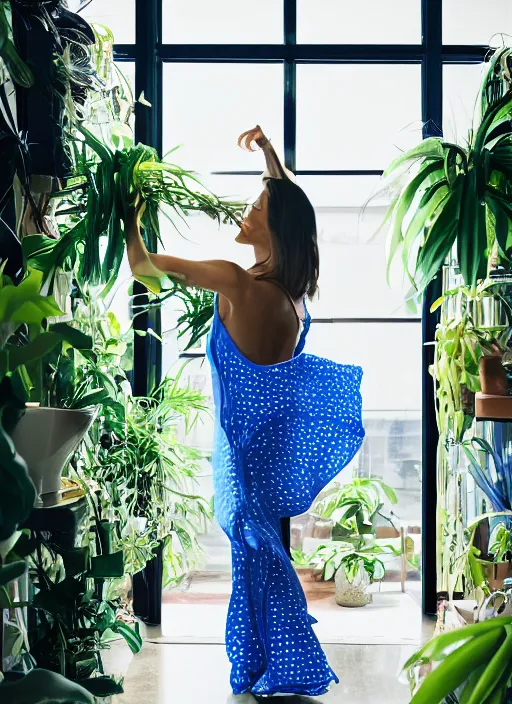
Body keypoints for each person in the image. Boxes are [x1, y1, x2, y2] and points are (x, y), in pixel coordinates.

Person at [124, 126, 365, 697]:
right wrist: (267, 155)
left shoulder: (236, 281)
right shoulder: (292, 297)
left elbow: (142, 267)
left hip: (240, 451)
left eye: (256, 206)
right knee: (255, 557)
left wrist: (127, 211)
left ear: (273, 226)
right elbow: (287, 198)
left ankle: (281, 664)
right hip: (264, 445)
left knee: (255, 558)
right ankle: (263, 665)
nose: (246, 209)